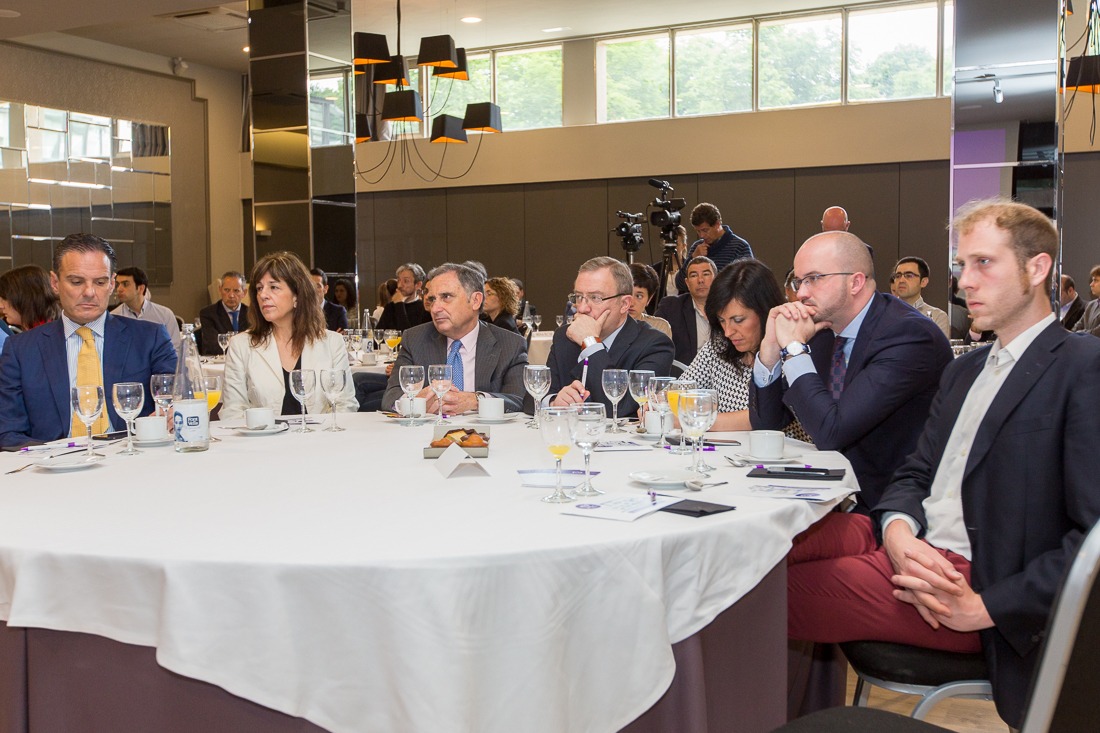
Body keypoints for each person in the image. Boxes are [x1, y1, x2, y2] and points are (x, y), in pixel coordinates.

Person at [786, 200, 1100, 730]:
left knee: (750, 589)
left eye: (983, 264)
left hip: (968, 583)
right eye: (960, 267)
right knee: (765, 548)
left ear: (1038, 268)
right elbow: (915, 472)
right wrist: (898, 531)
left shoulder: (1081, 367)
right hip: (907, 544)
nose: (964, 284)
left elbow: (1092, 538)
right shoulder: (967, 370)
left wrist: (986, 608)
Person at [749, 230, 952, 512]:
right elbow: (767, 425)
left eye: (814, 279)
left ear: (856, 282)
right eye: (798, 281)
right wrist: (770, 351)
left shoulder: (907, 335)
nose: (801, 293)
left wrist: (794, 349)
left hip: (890, 507)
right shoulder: (823, 330)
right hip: (830, 494)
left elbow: (833, 431)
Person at [0, 234, 176, 448]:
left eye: (100, 282)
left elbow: (177, 398)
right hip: (55, 468)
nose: (89, 292)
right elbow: (9, 432)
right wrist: (61, 456)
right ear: (55, 283)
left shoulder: (150, 338)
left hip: (132, 461)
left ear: (112, 284)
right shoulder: (21, 350)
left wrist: (170, 413)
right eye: (76, 282)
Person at [681, 260, 809, 440]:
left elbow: (765, 417)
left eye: (738, 320)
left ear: (765, 311)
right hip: (727, 456)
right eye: (722, 320)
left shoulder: (791, 346)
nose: (728, 331)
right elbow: (683, 391)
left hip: (785, 457)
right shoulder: (720, 343)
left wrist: (692, 420)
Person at [221, 252, 357, 421]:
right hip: (262, 443)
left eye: (274, 287)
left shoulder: (331, 343)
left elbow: (345, 404)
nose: (263, 295)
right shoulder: (240, 345)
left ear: (297, 296)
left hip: (320, 442)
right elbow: (233, 411)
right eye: (259, 288)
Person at [381, 263, 528, 413]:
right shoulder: (415, 339)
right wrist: (415, 402)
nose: (435, 308)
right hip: (427, 434)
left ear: (476, 300)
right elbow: (390, 399)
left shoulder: (510, 345)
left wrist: (476, 400)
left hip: (488, 434)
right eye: (432, 299)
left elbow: (519, 400)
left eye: (446, 297)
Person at [546, 256, 674, 413]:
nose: (583, 308)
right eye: (579, 297)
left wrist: (590, 343)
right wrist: (553, 402)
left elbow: (623, 409)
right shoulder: (564, 336)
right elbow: (532, 398)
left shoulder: (655, 344)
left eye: (595, 298)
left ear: (624, 304)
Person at [673, 203, 753, 292]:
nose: (701, 235)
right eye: (698, 231)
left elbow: (748, 284)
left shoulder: (740, 247)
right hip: (699, 304)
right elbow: (680, 284)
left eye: (705, 230)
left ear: (717, 224)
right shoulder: (697, 247)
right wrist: (692, 258)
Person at [656, 256, 716, 365]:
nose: (700, 280)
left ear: (716, 279)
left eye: (706, 274)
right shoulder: (671, 307)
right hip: (686, 376)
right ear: (687, 283)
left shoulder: (730, 307)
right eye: (694, 275)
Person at [111, 266, 182, 353]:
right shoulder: (114, 318)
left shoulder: (164, 315)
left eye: (125, 284)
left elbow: (175, 350)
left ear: (141, 289)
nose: (119, 289)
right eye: (118, 284)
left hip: (161, 365)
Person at [892, 256, 950, 338]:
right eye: (898, 276)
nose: (901, 280)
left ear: (923, 282)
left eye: (908, 275)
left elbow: (938, 349)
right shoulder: (882, 313)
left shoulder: (937, 316)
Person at [198, 271, 249, 356]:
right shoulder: (208, 314)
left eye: (236, 291)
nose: (231, 295)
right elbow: (213, 345)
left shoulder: (251, 314)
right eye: (227, 290)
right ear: (220, 290)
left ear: (244, 292)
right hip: (218, 361)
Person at [0, 264, 61, 332]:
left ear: (25, 299)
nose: (1, 306)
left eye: (5, 299)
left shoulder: (44, 336)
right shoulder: (47, 331)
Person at [376, 263, 431, 331]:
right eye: (398, 280)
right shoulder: (390, 307)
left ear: (418, 285)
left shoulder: (425, 308)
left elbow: (408, 337)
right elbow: (378, 336)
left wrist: (399, 305)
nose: (400, 285)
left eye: (406, 281)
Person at [627, 263, 672, 339]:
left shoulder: (659, 328)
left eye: (639, 296)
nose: (631, 303)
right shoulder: (605, 324)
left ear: (649, 299)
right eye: (628, 294)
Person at [308, 268, 349, 332]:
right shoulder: (298, 312)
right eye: (310, 286)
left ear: (325, 289)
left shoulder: (338, 312)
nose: (313, 290)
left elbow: (342, 338)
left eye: (318, 286)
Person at [1073, 265, 1100, 336]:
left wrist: (1079, 333)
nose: (1091, 284)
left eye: (1096, 280)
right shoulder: (1090, 305)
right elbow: (1076, 327)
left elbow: (1096, 334)